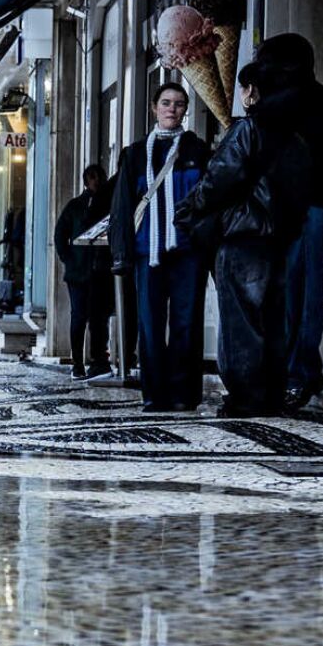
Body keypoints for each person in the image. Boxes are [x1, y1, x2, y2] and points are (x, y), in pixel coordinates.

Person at [175, 52, 314, 418]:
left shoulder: (247, 130)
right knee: (273, 317)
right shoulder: (297, 138)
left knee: (240, 320)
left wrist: (189, 209)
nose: (240, 95)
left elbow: (220, 177)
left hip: (242, 235)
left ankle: (245, 396)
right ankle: (270, 393)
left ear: (253, 92)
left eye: (243, 89)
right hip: (281, 238)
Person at [250, 33, 323, 411]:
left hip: (300, 210)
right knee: (295, 294)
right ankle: (297, 371)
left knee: (297, 294)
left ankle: (298, 373)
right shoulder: (319, 100)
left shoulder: (286, 104)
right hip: (305, 208)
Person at [109, 83, 212, 412]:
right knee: (150, 324)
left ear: (185, 110)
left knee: (187, 321)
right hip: (146, 252)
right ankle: (154, 393)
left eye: (179, 104)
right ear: (154, 108)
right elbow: (122, 207)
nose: (172, 109)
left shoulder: (198, 149)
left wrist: (205, 243)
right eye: (166, 103)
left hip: (188, 251)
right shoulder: (135, 154)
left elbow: (209, 201)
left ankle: (184, 394)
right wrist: (121, 254)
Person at [53, 164, 113, 378]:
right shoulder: (76, 206)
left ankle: (99, 360)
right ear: (86, 181)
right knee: (79, 317)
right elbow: (60, 235)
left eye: (99, 177)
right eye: (92, 177)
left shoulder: (109, 203)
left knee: (99, 318)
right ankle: (77, 363)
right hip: (79, 273)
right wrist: (70, 260)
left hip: (101, 272)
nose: (96, 181)